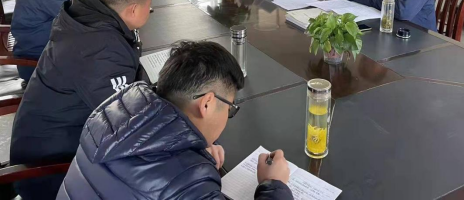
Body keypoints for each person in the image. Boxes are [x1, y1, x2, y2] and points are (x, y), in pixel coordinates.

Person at [56, 41, 293, 200]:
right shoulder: (189, 183)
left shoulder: (107, 115)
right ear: (207, 104)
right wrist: (273, 184)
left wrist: (191, 150)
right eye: (229, 108)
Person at [10, 0, 153, 200]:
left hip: (49, 141)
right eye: (150, 3)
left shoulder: (87, 16)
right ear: (134, 9)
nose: (150, 9)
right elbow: (127, 126)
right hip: (52, 170)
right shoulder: (100, 48)